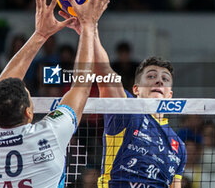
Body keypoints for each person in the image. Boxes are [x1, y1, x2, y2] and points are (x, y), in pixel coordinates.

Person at [0, 0, 117, 188]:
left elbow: (78, 88)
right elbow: (81, 88)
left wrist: (40, 34)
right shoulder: (48, 134)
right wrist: (89, 26)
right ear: (29, 112)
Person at [60, 14, 186, 188]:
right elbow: (104, 71)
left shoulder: (179, 145)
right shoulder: (127, 112)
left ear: (170, 95)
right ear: (136, 90)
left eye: (165, 79)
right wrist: (90, 29)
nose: (159, 81)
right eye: (151, 76)